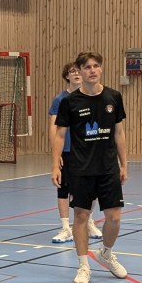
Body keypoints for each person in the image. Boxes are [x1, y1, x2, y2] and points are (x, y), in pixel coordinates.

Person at [51, 52, 128, 283]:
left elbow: (119, 133)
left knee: (114, 217)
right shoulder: (69, 102)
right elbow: (60, 135)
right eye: (87, 67)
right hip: (80, 168)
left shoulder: (113, 97)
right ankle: (83, 265)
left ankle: (106, 253)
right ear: (80, 72)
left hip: (108, 168)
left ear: (101, 69)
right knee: (82, 216)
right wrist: (55, 165)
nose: (92, 70)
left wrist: (124, 164)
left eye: (95, 66)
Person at [49, 63, 103, 243]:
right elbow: (54, 128)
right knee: (63, 188)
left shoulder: (90, 97)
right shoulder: (60, 100)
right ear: (67, 76)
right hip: (67, 150)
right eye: (72, 71)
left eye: (78, 71)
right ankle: (66, 228)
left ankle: (88, 222)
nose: (76, 74)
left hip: (87, 151)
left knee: (90, 188)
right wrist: (56, 155)